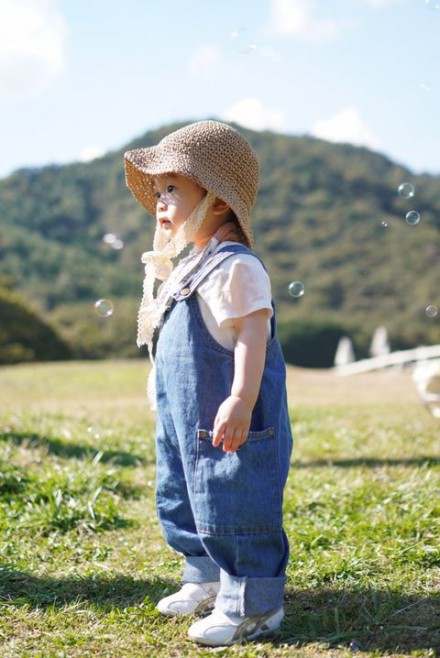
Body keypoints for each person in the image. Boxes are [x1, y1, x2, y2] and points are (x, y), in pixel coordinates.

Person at [124, 120, 293, 647]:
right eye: (158, 190)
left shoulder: (234, 266)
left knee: (232, 499)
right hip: (185, 415)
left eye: (173, 188)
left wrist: (242, 398)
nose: (160, 200)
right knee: (180, 492)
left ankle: (253, 603)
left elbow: (249, 335)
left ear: (217, 201)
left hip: (228, 418)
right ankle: (203, 574)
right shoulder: (191, 264)